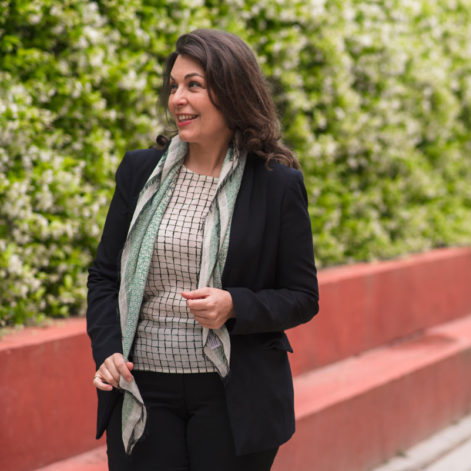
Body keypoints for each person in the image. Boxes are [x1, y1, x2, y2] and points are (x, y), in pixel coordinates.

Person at [86, 29, 319, 471]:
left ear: (232, 91)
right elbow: (105, 277)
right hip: (142, 390)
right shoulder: (139, 172)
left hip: (233, 397)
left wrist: (235, 304)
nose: (177, 98)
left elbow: (303, 297)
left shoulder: (275, 184)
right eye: (173, 86)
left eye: (194, 85)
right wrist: (109, 349)